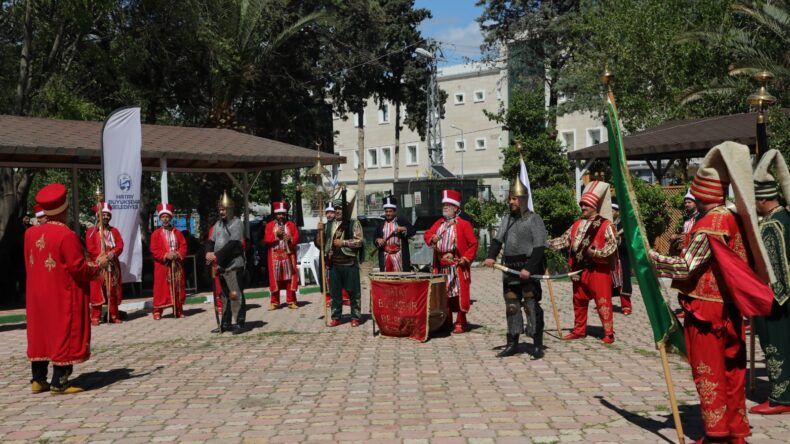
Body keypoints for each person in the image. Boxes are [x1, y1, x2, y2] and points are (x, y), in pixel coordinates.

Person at [649, 142, 774, 443]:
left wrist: (650, 258)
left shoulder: (711, 223)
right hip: (730, 309)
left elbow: (686, 266)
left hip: (706, 311)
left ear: (702, 193)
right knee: (733, 372)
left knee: (709, 372)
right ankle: (737, 431)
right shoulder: (734, 217)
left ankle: (717, 434)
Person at [25, 183, 102, 394]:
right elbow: (78, 268)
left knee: (41, 333)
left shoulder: (30, 234)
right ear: (64, 210)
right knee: (63, 332)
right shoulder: (66, 235)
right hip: (62, 294)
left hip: (37, 295)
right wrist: (98, 267)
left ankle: (38, 379)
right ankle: (60, 380)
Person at [547, 181, 618, 344]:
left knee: (602, 301)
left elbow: (612, 245)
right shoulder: (576, 224)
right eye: (582, 204)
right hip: (578, 270)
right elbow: (564, 241)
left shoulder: (606, 224)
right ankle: (579, 330)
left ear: (594, 206)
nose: (583, 207)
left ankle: (608, 333)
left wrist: (597, 253)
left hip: (597, 270)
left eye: (586, 205)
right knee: (579, 300)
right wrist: (545, 244)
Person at [484, 178, 547, 359]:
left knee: (531, 306)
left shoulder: (534, 219)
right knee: (512, 307)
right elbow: (497, 240)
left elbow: (539, 247)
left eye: (514, 199)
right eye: (510, 199)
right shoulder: (507, 219)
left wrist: (529, 268)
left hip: (528, 269)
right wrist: (490, 256)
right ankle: (513, 343)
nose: (511, 202)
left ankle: (536, 345)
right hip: (509, 269)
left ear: (523, 199)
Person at [750, 149, 790, 415]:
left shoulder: (770, 225)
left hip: (775, 297)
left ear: (764, 200)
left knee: (776, 344)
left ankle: (781, 397)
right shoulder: (785, 218)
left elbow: (771, 268)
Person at [424, 189, 478, 334]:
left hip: (457, 265)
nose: (445, 207)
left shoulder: (464, 224)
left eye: (448, 205)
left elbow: (473, 243)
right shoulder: (439, 223)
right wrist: (431, 238)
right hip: (441, 267)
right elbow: (428, 234)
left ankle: (461, 322)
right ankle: (446, 322)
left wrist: (466, 258)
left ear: (456, 208)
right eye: (444, 205)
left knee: (459, 294)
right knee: (443, 295)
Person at [318, 189, 363, 327]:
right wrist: (318, 231)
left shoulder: (353, 223)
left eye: (340, 208)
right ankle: (336, 317)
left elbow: (359, 242)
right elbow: (320, 244)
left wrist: (343, 242)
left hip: (349, 263)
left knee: (353, 293)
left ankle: (355, 317)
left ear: (345, 210)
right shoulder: (328, 225)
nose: (337, 211)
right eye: (335, 208)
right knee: (335, 294)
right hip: (334, 265)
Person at [206, 191, 247, 334]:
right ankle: (225, 323)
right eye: (220, 209)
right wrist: (208, 252)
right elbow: (211, 241)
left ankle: (239, 323)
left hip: (233, 265)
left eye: (223, 209)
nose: (221, 212)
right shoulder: (218, 224)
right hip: (221, 266)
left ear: (229, 209)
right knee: (224, 296)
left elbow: (234, 245)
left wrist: (216, 255)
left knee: (234, 294)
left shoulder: (237, 223)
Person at [86, 202, 124, 325]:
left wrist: (112, 254)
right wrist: (101, 258)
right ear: (98, 215)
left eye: (107, 215)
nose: (106, 217)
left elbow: (120, 245)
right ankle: (95, 316)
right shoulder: (91, 231)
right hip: (98, 265)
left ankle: (113, 315)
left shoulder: (114, 231)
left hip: (112, 265)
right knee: (97, 290)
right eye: (103, 215)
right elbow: (90, 248)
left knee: (112, 290)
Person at [150, 203, 187, 319]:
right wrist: (166, 255)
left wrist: (177, 254)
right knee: (160, 288)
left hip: (176, 264)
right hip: (162, 265)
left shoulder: (178, 233)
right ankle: (157, 311)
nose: (165, 219)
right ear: (160, 219)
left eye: (167, 217)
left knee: (177, 287)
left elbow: (183, 246)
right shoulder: (156, 234)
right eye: (163, 217)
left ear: (171, 218)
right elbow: (154, 249)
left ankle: (178, 309)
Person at [264, 201, 300, 310]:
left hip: (288, 255)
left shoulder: (291, 225)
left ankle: (291, 301)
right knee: (276, 279)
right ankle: (274, 302)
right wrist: (276, 235)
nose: (281, 216)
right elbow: (266, 239)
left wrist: (290, 239)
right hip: (274, 256)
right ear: (275, 214)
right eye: (279, 214)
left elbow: (297, 238)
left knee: (289, 278)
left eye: (283, 214)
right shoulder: (270, 226)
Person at [374, 195, 416, 272]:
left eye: (390, 211)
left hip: (399, 256)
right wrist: (378, 240)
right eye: (386, 211)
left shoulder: (401, 221)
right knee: (386, 278)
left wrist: (404, 228)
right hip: (385, 255)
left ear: (395, 212)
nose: (388, 213)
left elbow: (413, 230)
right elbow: (375, 236)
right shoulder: (381, 223)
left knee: (400, 279)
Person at [611, 201, 632, 315]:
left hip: (621, 258)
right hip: (609, 258)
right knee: (608, 281)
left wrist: (618, 239)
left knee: (623, 281)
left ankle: (626, 306)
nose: (610, 212)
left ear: (617, 212)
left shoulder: (623, 225)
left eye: (612, 210)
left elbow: (628, 243)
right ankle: (606, 305)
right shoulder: (607, 224)